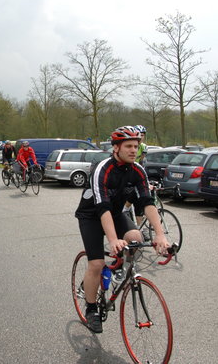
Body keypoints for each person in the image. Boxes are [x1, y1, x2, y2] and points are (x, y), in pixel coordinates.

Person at [75, 126, 170, 334]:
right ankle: (91, 309)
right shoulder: (103, 169)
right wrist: (112, 240)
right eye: (128, 146)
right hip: (91, 215)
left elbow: (147, 203)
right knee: (97, 263)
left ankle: (117, 267)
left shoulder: (137, 170)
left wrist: (160, 235)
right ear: (115, 148)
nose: (133, 150)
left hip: (116, 213)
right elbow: (102, 208)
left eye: (136, 146)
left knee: (135, 236)